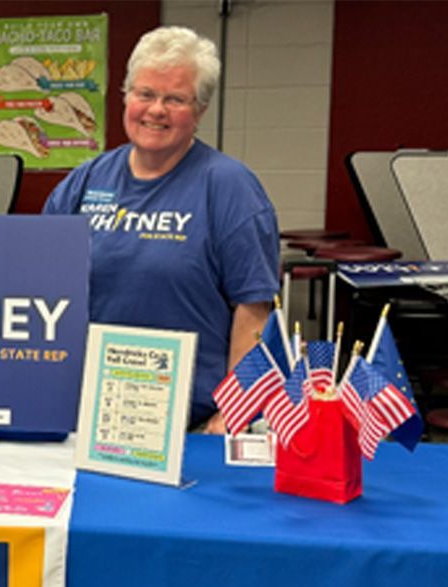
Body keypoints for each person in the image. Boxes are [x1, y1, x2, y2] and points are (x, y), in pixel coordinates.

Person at [43, 26, 279, 433]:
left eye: (175, 99)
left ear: (200, 110)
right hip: (88, 414)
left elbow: (254, 312)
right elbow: (38, 286)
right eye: (145, 94)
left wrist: (231, 417)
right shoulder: (85, 182)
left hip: (189, 422)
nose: (156, 110)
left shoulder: (230, 188)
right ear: (126, 97)